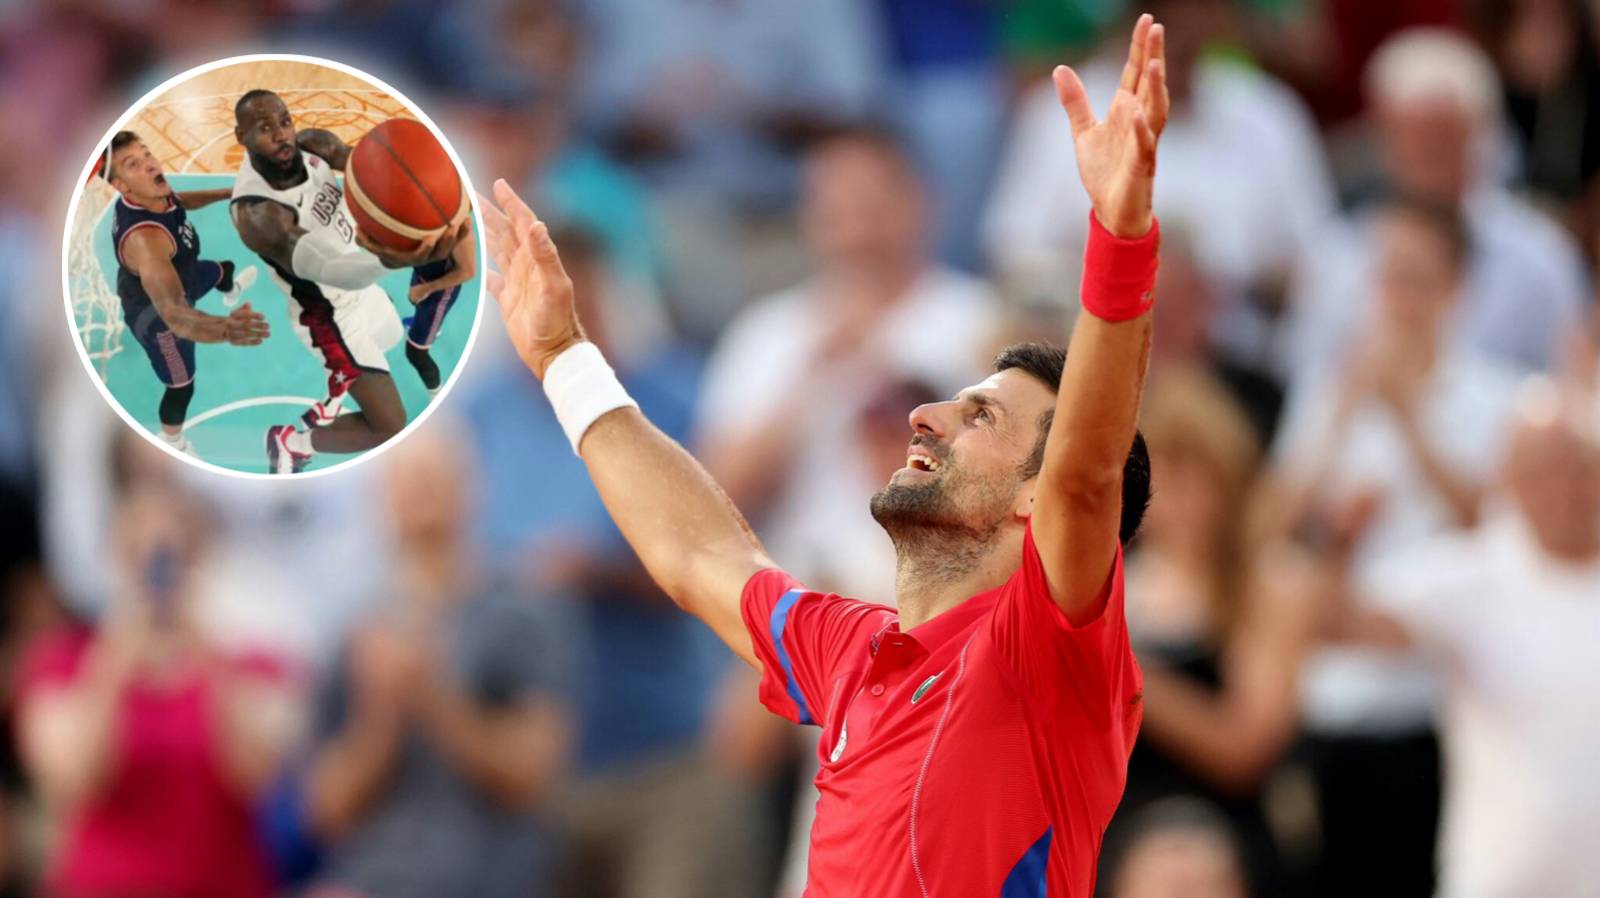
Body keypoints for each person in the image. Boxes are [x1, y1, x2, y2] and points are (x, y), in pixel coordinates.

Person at [479, 15, 1170, 894]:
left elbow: (1089, 471)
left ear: (1036, 500)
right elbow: (698, 554)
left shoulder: (1044, 652)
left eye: (981, 419)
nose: (925, 415)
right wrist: (564, 359)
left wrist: (1121, 234)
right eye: (952, 403)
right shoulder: (850, 649)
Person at [1268, 194, 1523, 897]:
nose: (1397, 297)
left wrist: (1410, 420)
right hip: (1333, 693)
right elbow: (1274, 525)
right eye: (1387, 275)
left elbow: (1502, 531)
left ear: (1456, 289)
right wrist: (1342, 418)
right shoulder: (1329, 387)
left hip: (1436, 700)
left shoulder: (1498, 400)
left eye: (1417, 278)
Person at [1319, 385, 1600, 897]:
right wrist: (1338, 543)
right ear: (1510, 484)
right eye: (1540, 473)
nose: (1563, 489)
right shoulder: (1476, 576)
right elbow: (1344, 624)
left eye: (1577, 468)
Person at [302, 425, 575, 898]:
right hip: (378, 879)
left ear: (473, 487)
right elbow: (324, 809)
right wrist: (380, 717)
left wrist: (434, 700)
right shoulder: (353, 630)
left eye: (434, 476)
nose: (421, 491)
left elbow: (534, 773)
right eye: (408, 479)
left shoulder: (522, 611)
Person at [15, 481, 298, 898]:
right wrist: (114, 661)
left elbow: (257, 774)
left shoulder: (251, 665)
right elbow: (72, 779)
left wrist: (205, 652)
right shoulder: (63, 663)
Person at [1281, 27, 1589, 381]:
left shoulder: (1542, 257)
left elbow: (1572, 384)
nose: (1426, 159)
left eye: (1442, 138)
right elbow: (1304, 379)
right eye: (1411, 138)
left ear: (1482, 135)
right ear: (1383, 138)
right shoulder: (1336, 256)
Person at [228, 89, 466, 473]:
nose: (281, 134)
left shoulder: (314, 146)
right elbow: (329, 269)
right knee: (389, 425)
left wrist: (425, 182)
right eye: (264, 128)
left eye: (285, 121)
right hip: (327, 317)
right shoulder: (258, 213)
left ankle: (340, 381)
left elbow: (376, 169)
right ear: (241, 137)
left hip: (363, 284)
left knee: (389, 337)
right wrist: (396, 258)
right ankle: (292, 443)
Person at [100, 129, 267, 456]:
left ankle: (229, 289)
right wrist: (225, 329)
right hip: (159, 317)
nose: (148, 164)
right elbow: (175, 314)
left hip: (184, 273)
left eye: (146, 154)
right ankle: (173, 441)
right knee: (181, 386)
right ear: (121, 185)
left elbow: (181, 201)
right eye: (133, 164)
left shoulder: (150, 191)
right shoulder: (145, 240)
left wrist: (227, 192)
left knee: (225, 269)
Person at [404, 221, 477, 398]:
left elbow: (468, 271)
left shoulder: (459, 223)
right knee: (415, 302)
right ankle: (429, 327)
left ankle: (437, 395)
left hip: (439, 291)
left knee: (415, 354)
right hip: (423, 274)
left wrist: (426, 289)